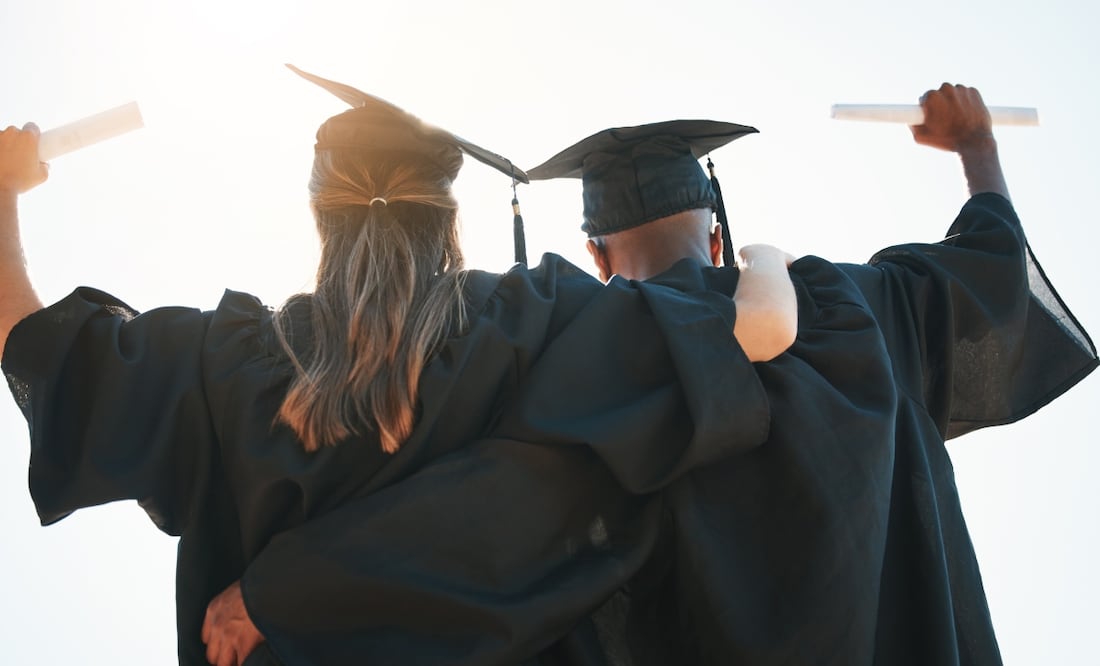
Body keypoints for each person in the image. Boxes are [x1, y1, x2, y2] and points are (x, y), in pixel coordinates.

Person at [202, 84, 1096, 665]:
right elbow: (993, 271)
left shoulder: (576, 348)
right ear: (716, 229)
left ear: (595, 255)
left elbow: (493, 514)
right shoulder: (862, 304)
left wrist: (286, 589)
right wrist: (977, 146)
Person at [0, 66, 798, 666]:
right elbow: (724, 343)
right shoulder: (537, 317)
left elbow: (31, 344)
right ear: (447, 220)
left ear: (321, 215)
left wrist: (3, 189)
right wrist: (763, 260)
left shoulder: (222, 364)